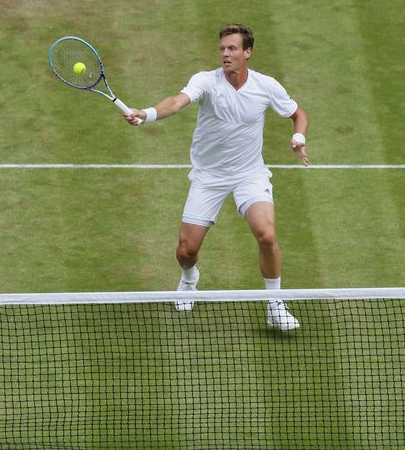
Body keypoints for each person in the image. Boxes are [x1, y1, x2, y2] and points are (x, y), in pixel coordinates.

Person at [124, 24, 309, 330]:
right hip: (208, 176)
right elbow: (176, 102)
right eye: (222, 48)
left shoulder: (266, 86)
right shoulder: (205, 82)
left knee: (267, 234)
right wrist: (147, 113)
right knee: (186, 251)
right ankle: (188, 279)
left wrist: (299, 137)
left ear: (247, 52)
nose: (225, 53)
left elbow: (298, 113)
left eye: (232, 48)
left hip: (249, 173)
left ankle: (275, 304)